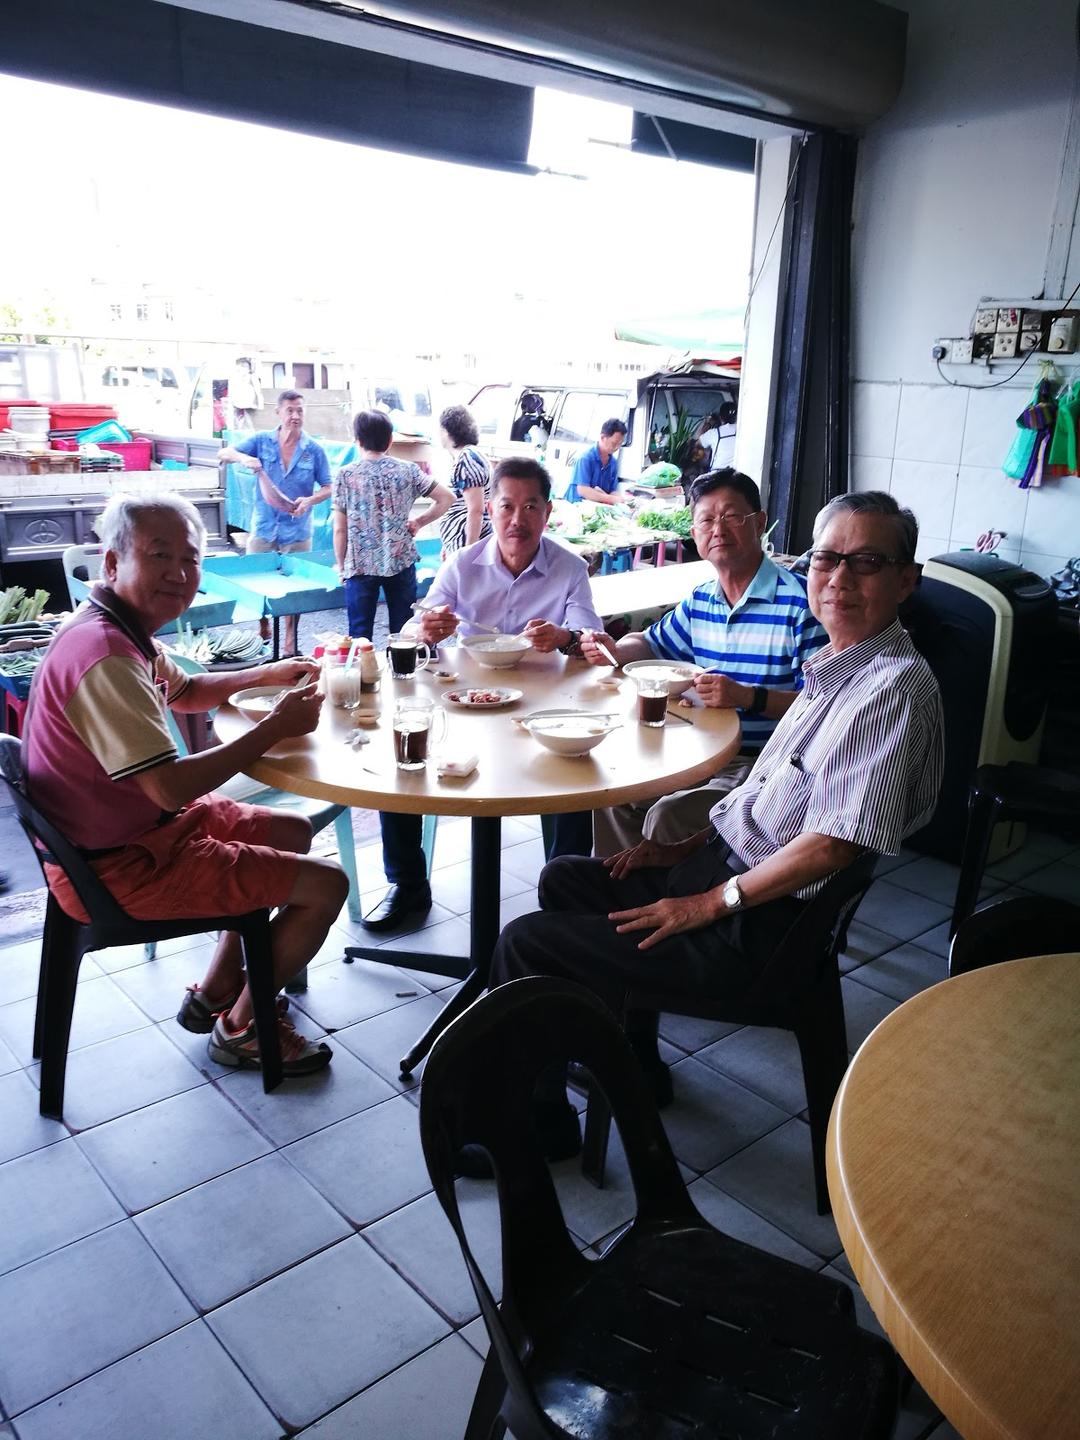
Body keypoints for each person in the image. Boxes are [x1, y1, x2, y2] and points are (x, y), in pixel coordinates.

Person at [483, 490, 944, 1162]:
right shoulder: (840, 670)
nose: (840, 579)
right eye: (827, 559)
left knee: (526, 943)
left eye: (867, 562)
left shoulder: (890, 690)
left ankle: (527, 1126)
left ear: (906, 579)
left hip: (757, 934)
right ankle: (630, 1058)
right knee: (567, 879)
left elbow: (834, 843)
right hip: (736, 879)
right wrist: (681, 850)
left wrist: (706, 901)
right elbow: (778, 806)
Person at [23, 492, 350, 1076]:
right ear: (113, 562)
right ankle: (241, 1029)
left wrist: (269, 673)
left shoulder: (118, 629)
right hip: (118, 866)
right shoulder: (105, 658)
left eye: (191, 559)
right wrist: (274, 724)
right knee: (328, 886)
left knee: (293, 831)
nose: (179, 574)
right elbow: (169, 789)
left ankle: (218, 987)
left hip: (139, 835)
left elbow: (190, 691)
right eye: (159, 555)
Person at [363, 457, 605, 931]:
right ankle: (408, 885)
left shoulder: (569, 567)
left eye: (531, 506)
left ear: (548, 511)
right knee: (403, 751)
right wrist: (427, 629)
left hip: (545, 705)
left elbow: (591, 640)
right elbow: (414, 631)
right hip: (464, 704)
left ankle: (563, 897)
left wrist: (564, 638)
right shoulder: (462, 564)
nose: (518, 520)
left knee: (577, 771)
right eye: (507, 506)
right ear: (489, 509)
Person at [582, 469, 826, 856]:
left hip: (764, 764)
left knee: (667, 816)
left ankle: (675, 907)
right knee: (614, 791)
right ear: (694, 532)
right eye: (706, 520)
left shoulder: (800, 605)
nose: (718, 529)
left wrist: (748, 697)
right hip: (698, 753)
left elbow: (822, 706)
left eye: (731, 516)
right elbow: (647, 643)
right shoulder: (703, 601)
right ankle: (620, 897)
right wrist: (612, 648)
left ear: (759, 523)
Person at [218, 390, 333, 655]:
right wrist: (244, 458)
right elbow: (225, 452)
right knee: (256, 580)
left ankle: (290, 644)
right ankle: (263, 624)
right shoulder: (261, 441)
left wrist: (310, 500)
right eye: (290, 410)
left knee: (296, 590)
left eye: (300, 410)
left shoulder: (313, 450)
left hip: (299, 528)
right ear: (278, 413)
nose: (295, 416)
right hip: (264, 525)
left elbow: (328, 487)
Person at [332, 408, 453, 644]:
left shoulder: (345, 475)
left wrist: (340, 565)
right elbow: (446, 498)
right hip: (401, 560)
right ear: (389, 440)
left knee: (359, 636)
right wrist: (419, 521)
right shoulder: (408, 470)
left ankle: (362, 679)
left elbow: (340, 529)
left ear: (357, 441)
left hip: (360, 565)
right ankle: (404, 676)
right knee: (405, 633)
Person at [437, 404, 492, 555]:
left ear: (446, 431)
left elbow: (476, 510)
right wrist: (448, 544)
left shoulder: (467, 458)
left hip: (466, 545)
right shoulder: (468, 456)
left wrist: (467, 553)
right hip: (459, 542)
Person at [563, 418, 627, 505]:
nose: (616, 448)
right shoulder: (585, 459)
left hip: (597, 507)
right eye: (614, 443)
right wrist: (610, 499)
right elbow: (583, 490)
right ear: (602, 437)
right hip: (576, 506)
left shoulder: (613, 463)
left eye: (620, 444)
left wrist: (621, 500)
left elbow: (612, 491)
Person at [698, 401, 738, 471]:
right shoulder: (743, 431)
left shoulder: (714, 433)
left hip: (717, 473)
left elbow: (699, 442)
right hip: (736, 473)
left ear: (721, 417)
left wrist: (708, 423)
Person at [228, 357, 262, 430]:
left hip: (249, 403)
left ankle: (249, 431)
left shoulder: (252, 377)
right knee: (239, 420)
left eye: (244, 367)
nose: (242, 369)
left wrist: (260, 404)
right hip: (238, 403)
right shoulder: (237, 378)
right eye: (241, 367)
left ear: (249, 369)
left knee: (248, 420)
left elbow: (258, 391)